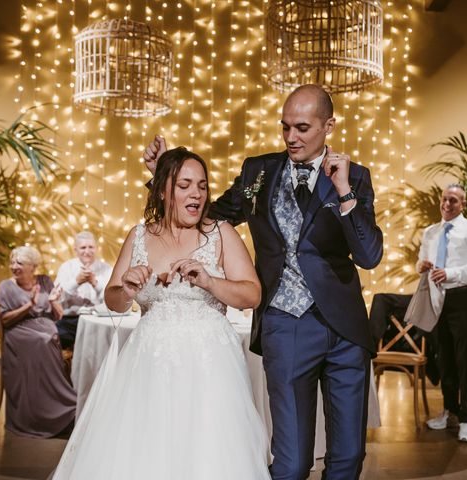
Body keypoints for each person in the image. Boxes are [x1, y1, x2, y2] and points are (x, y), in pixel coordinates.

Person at [144, 84, 383, 479]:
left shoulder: (354, 177)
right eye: (285, 127)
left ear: (329, 126)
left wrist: (344, 192)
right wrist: (164, 180)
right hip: (284, 326)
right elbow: (209, 218)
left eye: (303, 128)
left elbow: (369, 255)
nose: (291, 137)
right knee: (290, 463)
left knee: (347, 457)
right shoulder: (258, 171)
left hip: (344, 330)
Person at [51, 147, 271, 479]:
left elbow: (252, 294)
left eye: (202, 185)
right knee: (145, 449)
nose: (196, 193)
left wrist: (210, 282)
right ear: (163, 190)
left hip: (211, 366)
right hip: (149, 363)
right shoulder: (139, 235)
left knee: (208, 451)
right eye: (184, 185)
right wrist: (125, 288)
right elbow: (113, 299)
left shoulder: (220, 234)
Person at [418, 184, 467, 443]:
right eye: (445, 199)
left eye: (454, 200)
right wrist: (421, 266)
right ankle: (450, 411)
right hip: (437, 298)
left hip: (463, 299)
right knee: (444, 358)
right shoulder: (430, 232)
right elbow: (421, 260)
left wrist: (451, 273)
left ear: (463, 205)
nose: (447, 204)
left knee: (465, 359)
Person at [0, 246, 76, 438]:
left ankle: (60, 410)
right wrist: (29, 305)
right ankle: (40, 416)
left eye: (20, 263)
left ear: (33, 266)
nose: (14, 266)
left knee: (49, 337)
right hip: (19, 332)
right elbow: (5, 320)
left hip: (45, 329)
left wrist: (54, 301)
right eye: (12, 262)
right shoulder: (5, 287)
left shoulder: (45, 281)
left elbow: (58, 316)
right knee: (43, 339)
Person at [54, 231, 112, 349]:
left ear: (96, 248)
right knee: (52, 339)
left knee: (106, 344)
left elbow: (110, 299)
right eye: (83, 247)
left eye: (91, 247)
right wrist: (76, 282)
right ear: (75, 249)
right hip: (69, 321)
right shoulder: (66, 267)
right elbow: (57, 297)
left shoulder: (106, 268)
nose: (87, 251)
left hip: (97, 320)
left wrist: (94, 283)